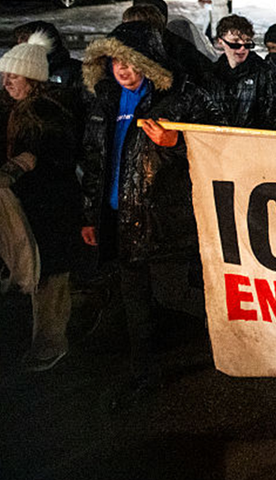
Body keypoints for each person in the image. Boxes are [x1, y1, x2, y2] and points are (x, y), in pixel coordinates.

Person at [79, 21, 221, 397]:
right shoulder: (106, 100)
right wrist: (92, 215)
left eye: (130, 62)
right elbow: (96, 159)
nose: (123, 70)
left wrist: (176, 141)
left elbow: (217, 148)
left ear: (148, 63)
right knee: (134, 302)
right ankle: (143, 374)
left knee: (175, 295)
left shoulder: (177, 98)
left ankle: (228, 346)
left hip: (163, 221)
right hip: (119, 219)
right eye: (115, 62)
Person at [0, 35, 82, 371]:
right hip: (32, 205)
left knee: (49, 277)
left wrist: (12, 171)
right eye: (5, 75)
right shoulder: (18, 108)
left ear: (32, 78)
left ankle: (51, 345)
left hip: (52, 207)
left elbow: (41, 154)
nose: (7, 82)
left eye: (14, 76)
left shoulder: (45, 113)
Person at [207, 15, 276, 130]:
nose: (242, 49)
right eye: (235, 43)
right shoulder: (212, 74)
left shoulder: (265, 73)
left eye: (247, 43)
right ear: (221, 42)